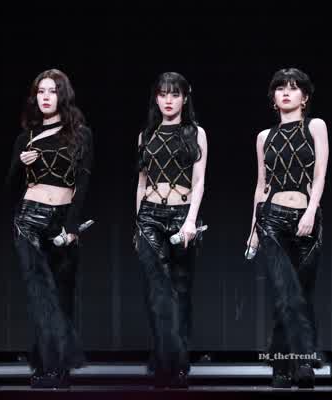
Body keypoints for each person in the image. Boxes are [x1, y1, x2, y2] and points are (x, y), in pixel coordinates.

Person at [7, 69, 93, 388]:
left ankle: (57, 364)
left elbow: (83, 183)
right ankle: (48, 366)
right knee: (41, 295)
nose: (45, 97)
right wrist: (20, 163)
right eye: (40, 91)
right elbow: (10, 187)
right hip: (28, 220)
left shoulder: (81, 135)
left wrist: (71, 227)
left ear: (63, 96)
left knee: (62, 294)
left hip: (62, 220)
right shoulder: (25, 138)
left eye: (52, 91)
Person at [246, 68, 329, 388]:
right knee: (283, 293)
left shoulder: (316, 126)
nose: (286, 93)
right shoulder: (263, 137)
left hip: (305, 215)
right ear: (273, 97)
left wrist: (310, 211)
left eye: (293, 88)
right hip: (271, 218)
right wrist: (253, 230)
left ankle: (303, 362)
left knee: (302, 293)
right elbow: (260, 185)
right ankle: (282, 365)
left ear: (304, 97)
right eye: (280, 88)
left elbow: (320, 174)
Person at [135, 72, 207, 388]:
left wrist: (191, 220)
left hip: (182, 214)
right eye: (163, 94)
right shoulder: (146, 135)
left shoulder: (196, 132)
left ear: (184, 98)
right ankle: (164, 361)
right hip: (149, 215)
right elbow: (141, 183)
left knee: (180, 290)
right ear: (156, 98)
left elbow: (199, 181)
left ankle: (177, 363)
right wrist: (137, 223)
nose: (168, 99)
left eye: (174, 94)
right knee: (157, 293)